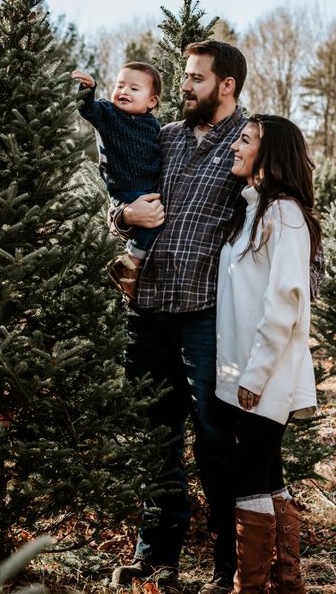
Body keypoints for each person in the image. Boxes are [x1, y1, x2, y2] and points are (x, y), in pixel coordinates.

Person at [108, 40, 250, 591]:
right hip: (146, 312)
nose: (184, 85)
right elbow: (120, 189)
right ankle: (155, 558)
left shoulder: (247, 142)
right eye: (184, 77)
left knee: (216, 440)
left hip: (206, 317)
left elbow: (281, 210)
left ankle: (227, 563)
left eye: (195, 78)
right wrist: (123, 214)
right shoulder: (158, 136)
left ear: (226, 85)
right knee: (154, 436)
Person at [215, 114, 321, 593]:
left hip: (266, 375)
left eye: (245, 140)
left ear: (270, 153)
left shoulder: (284, 215)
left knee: (250, 477)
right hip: (247, 371)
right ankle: (286, 581)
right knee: (269, 473)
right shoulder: (255, 209)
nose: (235, 146)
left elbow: (286, 303)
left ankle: (251, 586)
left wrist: (253, 377)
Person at [72, 62, 162, 299]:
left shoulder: (152, 125)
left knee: (156, 219)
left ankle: (132, 264)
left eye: (134, 88)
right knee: (153, 222)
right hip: (124, 187)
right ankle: (129, 262)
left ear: (151, 101)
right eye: (120, 85)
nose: (124, 92)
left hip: (147, 187)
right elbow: (87, 108)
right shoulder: (108, 113)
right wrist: (87, 89)